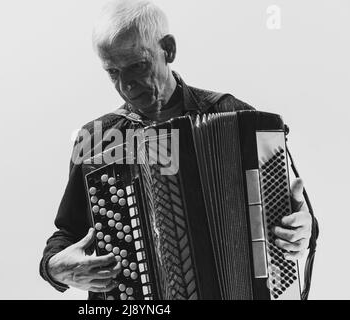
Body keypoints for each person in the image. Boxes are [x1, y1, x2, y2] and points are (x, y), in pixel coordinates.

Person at [39, 0, 317, 300]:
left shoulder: (240, 121)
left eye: (137, 66)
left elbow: (297, 219)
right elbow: (67, 232)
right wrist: (54, 267)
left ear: (168, 49)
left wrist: (304, 231)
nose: (127, 86)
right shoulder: (96, 138)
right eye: (113, 72)